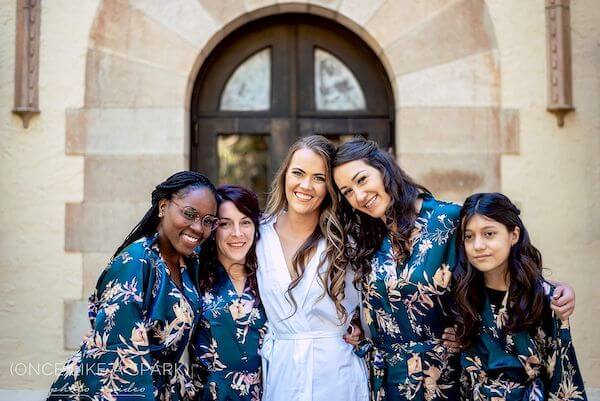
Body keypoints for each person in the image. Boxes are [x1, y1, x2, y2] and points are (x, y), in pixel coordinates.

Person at [332, 138, 576, 401]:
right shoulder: (367, 238)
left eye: (362, 180)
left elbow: (502, 260)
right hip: (385, 382)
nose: (358, 196)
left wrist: (553, 290)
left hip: (446, 381)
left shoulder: (448, 220)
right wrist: (356, 324)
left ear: (384, 170)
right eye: (347, 191)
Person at [47, 171, 219, 401]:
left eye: (208, 221)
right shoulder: (136, 262)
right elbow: (118, 357)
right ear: (163, 207)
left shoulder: (189, 262)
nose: (199, 228)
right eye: (190, 214)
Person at [256, 135, 369, 401]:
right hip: (282, 374)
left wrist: (363, 328)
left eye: (319, 178)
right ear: (285, 175)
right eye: (298, 173)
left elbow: (375, 300)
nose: (305, 185)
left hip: (337, 376)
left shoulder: (347, 242)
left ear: (330, 188)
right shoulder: (258, 237)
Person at [453, 192, 587, 401]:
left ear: (513, 235)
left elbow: (562, 373)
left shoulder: (545, 298)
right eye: (469, 236)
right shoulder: (461, 295)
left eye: (489, 234)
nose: (478, 245)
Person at [191, 185, 266, 401]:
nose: (237, 233)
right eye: (225, 224)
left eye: (245, 222)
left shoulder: (268, 279)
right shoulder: (194, 277)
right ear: (213, 229)